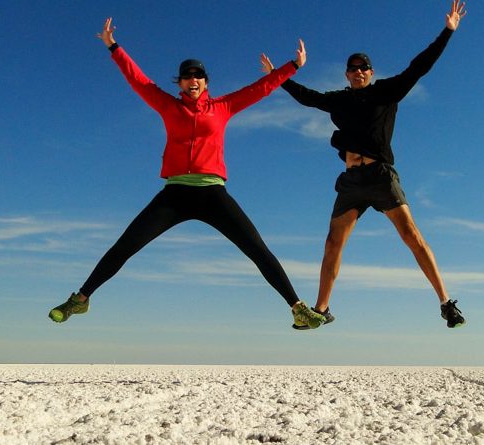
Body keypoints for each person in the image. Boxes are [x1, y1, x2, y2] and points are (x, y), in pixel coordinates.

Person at [48, 18, 326, 330]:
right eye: (186, 76)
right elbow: (137, 80)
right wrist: (113, 46)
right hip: (175, 194)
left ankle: (298, 308)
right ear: (179, 83)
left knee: (257, 249)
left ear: (206, 82)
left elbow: (259, 89)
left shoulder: (223, 107)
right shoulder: (168, 106)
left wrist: (293, 66)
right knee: (125, 245)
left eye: (198, 75)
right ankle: (80, 299)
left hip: (213, 193)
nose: (192, 79)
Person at [261, 1, 467, 329]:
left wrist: (448, 31)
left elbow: (420, 65)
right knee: (332, 242)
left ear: (371, 72)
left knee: (411, 234)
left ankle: (446, 302)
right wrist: (280, 74)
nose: (358, 72)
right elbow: (307, 96)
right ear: (346, 73)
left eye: (363, 67)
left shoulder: (387, 92)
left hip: (381, 175)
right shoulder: (339, 100)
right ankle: (321, 309)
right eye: (352, 68)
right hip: (351, 181)